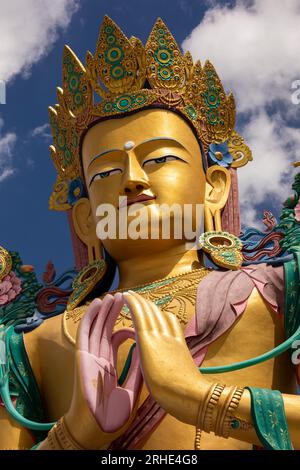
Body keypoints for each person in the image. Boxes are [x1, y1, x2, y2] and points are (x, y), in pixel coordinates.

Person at [0, 16, 299, 451]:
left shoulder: (279, 292)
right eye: (105, 171)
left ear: (214, 187)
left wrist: (197, 398)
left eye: (159, 159)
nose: (133, 181)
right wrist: (74, 435)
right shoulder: (32, 347)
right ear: (85, 218)